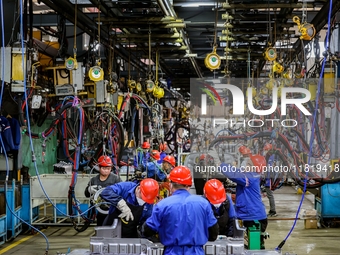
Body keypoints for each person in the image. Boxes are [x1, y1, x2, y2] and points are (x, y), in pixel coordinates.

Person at [141, 166, 219, 255]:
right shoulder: (204, 204)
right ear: (189, 186)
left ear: (170, 185)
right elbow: (213, 234)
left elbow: (147, 230)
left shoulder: (162, 205)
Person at [208, 148, 268, 249]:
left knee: (254, 248)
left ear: (254, 167)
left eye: (248, 164)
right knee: (251, 246)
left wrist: (218, 162)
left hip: (253, 217)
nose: (245, 165)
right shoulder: (252, 175)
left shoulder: (250, 177)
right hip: (252, 215)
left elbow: (233, 174)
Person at [84, 155, 122, 226]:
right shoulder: (94, 180)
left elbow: (123, 191)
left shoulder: (116, 179)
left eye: (108, 168)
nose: (106, 170)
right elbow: (86, 194)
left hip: (114, 210)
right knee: (101, 229)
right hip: (101, 211)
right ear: (99, 168)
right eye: (104, 168)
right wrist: (89, 190)